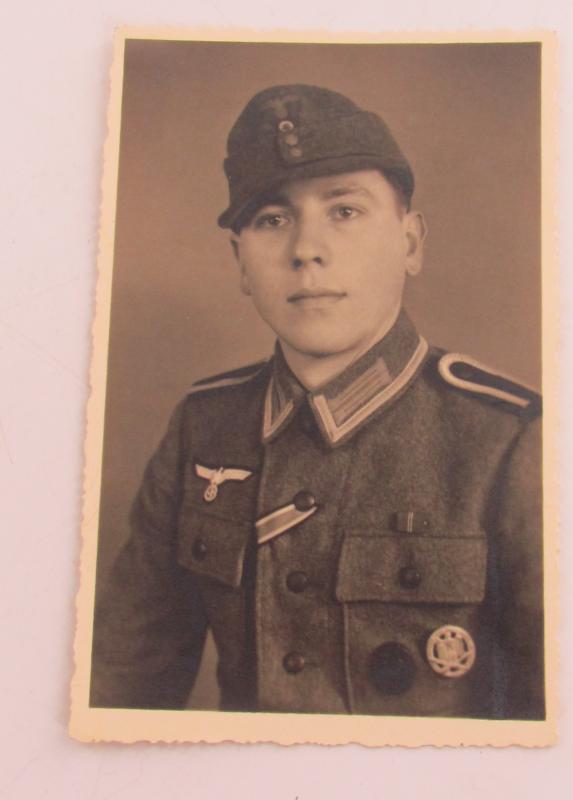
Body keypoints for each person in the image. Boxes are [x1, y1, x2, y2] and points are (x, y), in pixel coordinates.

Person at [90, 84, 544, 719]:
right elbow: (116, 693)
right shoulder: (205, 427)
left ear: (410, 243)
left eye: (345, 212)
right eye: (272, 220)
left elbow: (563, 737)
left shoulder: (508, 440)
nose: (306, 250)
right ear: (240, 263)